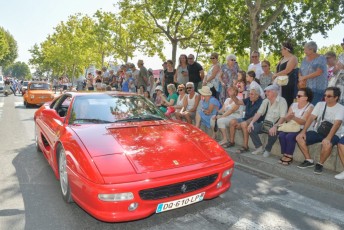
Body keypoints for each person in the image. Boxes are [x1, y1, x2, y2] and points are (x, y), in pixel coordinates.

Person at [296, 87, 344, 174]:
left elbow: (337, 124)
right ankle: (308, 160)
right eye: (325, 95)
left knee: (327, 144)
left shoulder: (341, 108)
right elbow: (311, 118)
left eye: (329, 96)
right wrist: (303, 132)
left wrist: (328, 138)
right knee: (299, 137)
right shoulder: (320, 104)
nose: (326, 97)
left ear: (336, 97)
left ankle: (320, 164)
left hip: (334, 134)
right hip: (319, 131)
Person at [248, 84, 288, 157]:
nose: (266, 93)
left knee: (273, 132)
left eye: (268, 91)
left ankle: (267, 149)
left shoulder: (282, 101)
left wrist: (275, 126)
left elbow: (283, 117)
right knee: (251, 128)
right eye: (266, 91)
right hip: (266, 124)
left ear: (275, 92)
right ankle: (259, 147)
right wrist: (251, 122)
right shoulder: (266, 101)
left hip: (277, 124)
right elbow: (259, 113)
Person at [278, 88, 314, 165]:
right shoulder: (293, 105)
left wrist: (293, 117)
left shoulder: (310, 107)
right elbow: (286, 118)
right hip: (292, 126)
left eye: (299, 96)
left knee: (290, 136)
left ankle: (289, 156)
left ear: (306, 98)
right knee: (281, 135)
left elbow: (304, 122)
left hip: (303, 128)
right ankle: (285, 154)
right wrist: (289, 117)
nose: (296, 97)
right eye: (297, 95)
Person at [228, 87, 263, 153]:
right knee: (232, 121)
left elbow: (255, 116)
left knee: (243, 124)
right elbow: (238, 102)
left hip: (256, 121)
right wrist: (232, 95)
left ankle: (245, 146)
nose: (250, 95)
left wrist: (244, 123)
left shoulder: (261, 102)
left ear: (257, 95)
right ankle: (231, 142)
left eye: (252, 94)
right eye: (249, 94)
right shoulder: (249, 99)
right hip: (246, 118)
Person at [273, 41, 298, 107]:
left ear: (286, 49)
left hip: (288, 84)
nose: (280, 51)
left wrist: (276, 75)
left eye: (281, 49)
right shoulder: (282, 59)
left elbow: (287, 70)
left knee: (286, 102)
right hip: (279, 83)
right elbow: (277, 70)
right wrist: (274, 76)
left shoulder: (293, 58)